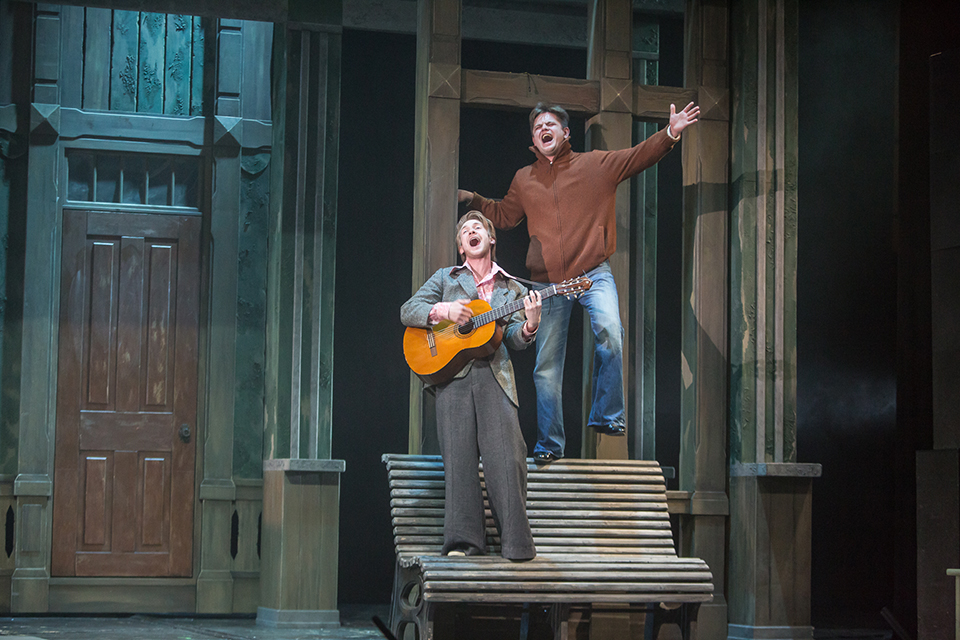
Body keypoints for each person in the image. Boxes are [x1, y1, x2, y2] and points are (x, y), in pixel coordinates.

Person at [458, 101, 699, 463]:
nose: (543, 129)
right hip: (546, 283)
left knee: (611, 331)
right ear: (533, 140)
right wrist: (472, 199)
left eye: (550, 124)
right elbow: (504, 216)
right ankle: (550, 445)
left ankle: (607, 414)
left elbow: (637, 157)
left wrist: (670, 133)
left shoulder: (595, 165)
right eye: (537, 126)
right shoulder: (524, 179)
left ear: (565, 133)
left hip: (593, 271)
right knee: (546, 368)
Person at [400, 210, 542, 561]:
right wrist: (444, 310)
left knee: (508, 458)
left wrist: (530, 326)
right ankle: (464, 543)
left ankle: (516, 545)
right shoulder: (446, 278)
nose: (471, 231)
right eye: (465, 230)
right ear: (462, 246)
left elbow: (513, 338)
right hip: (453, 377)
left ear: (491, 239)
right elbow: (409, 310)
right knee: (459, 460)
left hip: (495, 375)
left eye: (478, 227)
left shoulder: (513, 288)